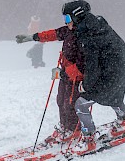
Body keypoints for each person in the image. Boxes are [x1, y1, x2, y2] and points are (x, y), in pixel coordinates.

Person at [61, 0, 125, 155]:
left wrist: (86, 85)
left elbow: (92, 66)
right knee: (114, 96)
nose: (66, 23)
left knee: (80, 104)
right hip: (119, 71)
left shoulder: (89, 36)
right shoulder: (97, 25)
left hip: (108, 75)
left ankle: (89, 140)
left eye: (67, 19)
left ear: (76, 16)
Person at [16, 14, 85, 145]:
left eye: (68, 19)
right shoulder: (68, 31)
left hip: (75, 76)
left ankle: (74, 130)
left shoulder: (82, 35)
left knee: (70, 103)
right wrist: (33, 37)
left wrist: (65, 72)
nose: (66, 22)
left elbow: (83, 63)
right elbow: (53, 34)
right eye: (65, 19)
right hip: (65, 73)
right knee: (60, 100)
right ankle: (65, 127)